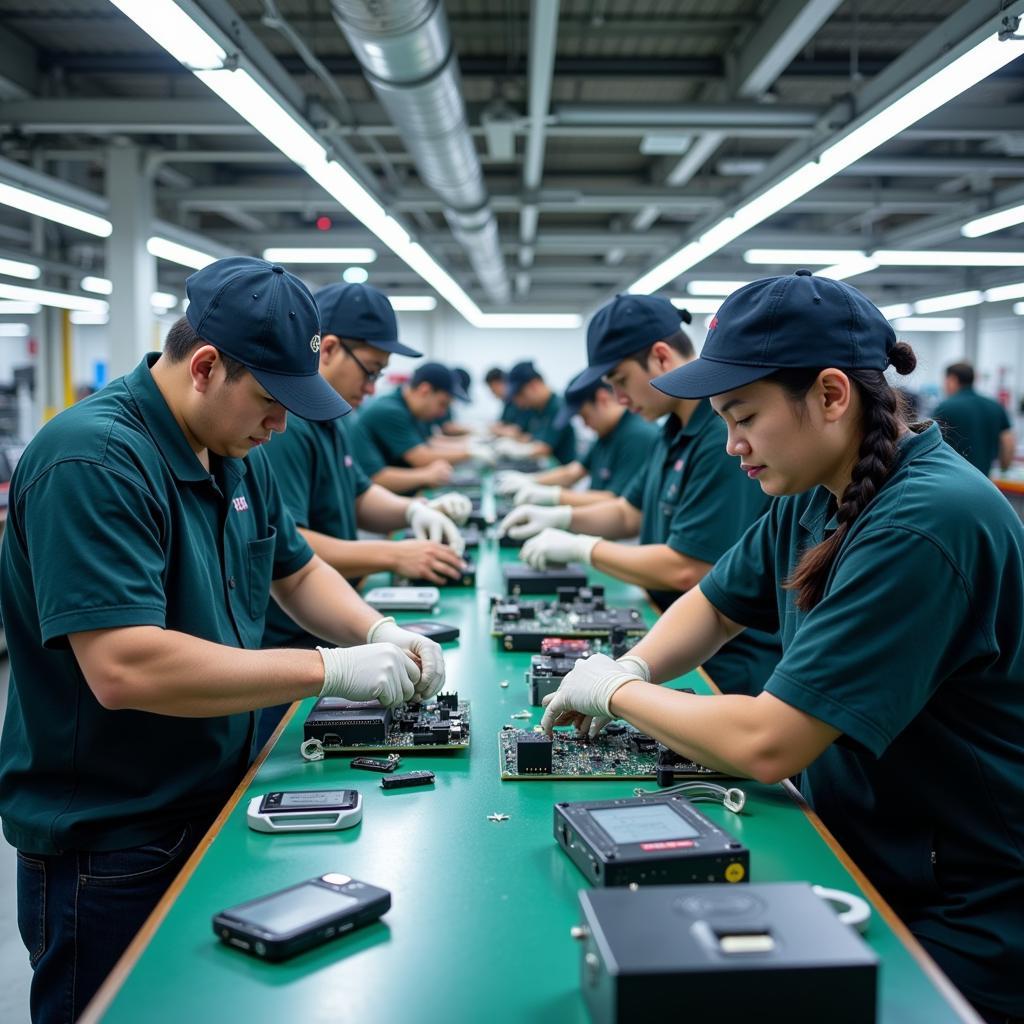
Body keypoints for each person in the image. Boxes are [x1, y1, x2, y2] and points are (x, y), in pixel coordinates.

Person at [540, 270, 1024, 1024]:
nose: (731, 445)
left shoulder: (924, 524)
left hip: (966, 909)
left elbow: (769, 745)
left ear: (832, 396)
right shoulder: (815, 489)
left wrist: (616, 692)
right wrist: (634, 662)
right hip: (872, 845)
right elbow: (714, 604)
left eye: (744, 417)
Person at [0, 258, 448, 1024]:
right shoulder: (95, 460)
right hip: (115, 836)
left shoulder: (237, 449)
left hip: (215, 795)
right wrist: (328, 668)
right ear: (206, 367)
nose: (280, 425)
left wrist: (378, 630)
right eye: (271, 403)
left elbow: (294, 571)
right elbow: (125, 667)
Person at [499, 294, 779, 697]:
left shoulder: (720, 437)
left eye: (620, 382)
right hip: (673, 637)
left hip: (722, 665)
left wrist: (583, 548)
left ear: (661, 357)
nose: (620, 399)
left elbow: (689, 568)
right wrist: (558, 516)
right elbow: (628, 513)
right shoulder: (671, 430)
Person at [257, 282, 472, 748]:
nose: (373, 387)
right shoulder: (282, 425)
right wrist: (393, 555)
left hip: (331, 622)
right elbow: (289, 543)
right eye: (370, 371)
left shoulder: (333, 419)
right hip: (290, 643)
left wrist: (415, 510)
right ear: (329, 348)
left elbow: (358, 495)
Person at [494, 373, 656, 507]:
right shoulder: (607, 431)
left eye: (585, 416)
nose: (585, 425)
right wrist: (530, 481)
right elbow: (574, 471)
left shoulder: (637, 436)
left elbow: (615, 501)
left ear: (602, 399)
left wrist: (555, 496)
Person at [350, 362, 493, 488]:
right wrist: (427, 475)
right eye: (442, 404)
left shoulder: (412, 410)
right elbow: (419, 457)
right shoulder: (390, 411)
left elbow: (429, 443)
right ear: (425, 390)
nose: (443, 413)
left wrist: (472, 446)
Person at [933, 361, 1014, 475]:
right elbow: (1008, 442)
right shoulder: (995, 406)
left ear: (952, 380)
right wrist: (1004, 468)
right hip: (985, 480)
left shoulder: (945, 407)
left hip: (952, 480)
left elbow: (933, 446)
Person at [499, 360, 577, 464]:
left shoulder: (557, 407)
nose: (519, 403)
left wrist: (516, 450)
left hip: (560, 470)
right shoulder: (536, 409)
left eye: (521, 395)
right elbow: (531, 437)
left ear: (534, 385)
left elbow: (544, 448)